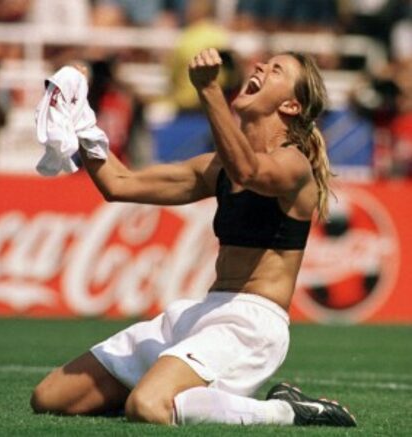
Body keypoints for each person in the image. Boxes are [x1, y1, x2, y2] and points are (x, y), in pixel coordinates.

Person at [30, 48, 357, 427]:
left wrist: (209, 91)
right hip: (202, 311)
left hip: (250, 326)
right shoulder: (218, 166)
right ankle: (182, 398)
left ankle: (286, 411)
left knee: (148, 406)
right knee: (52, 397)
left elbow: (249, 171)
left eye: (276, 70)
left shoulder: (294, 164)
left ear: (291, 106)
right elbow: (119, 183)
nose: (261, 68)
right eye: (264, 63)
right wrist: (82, 118)